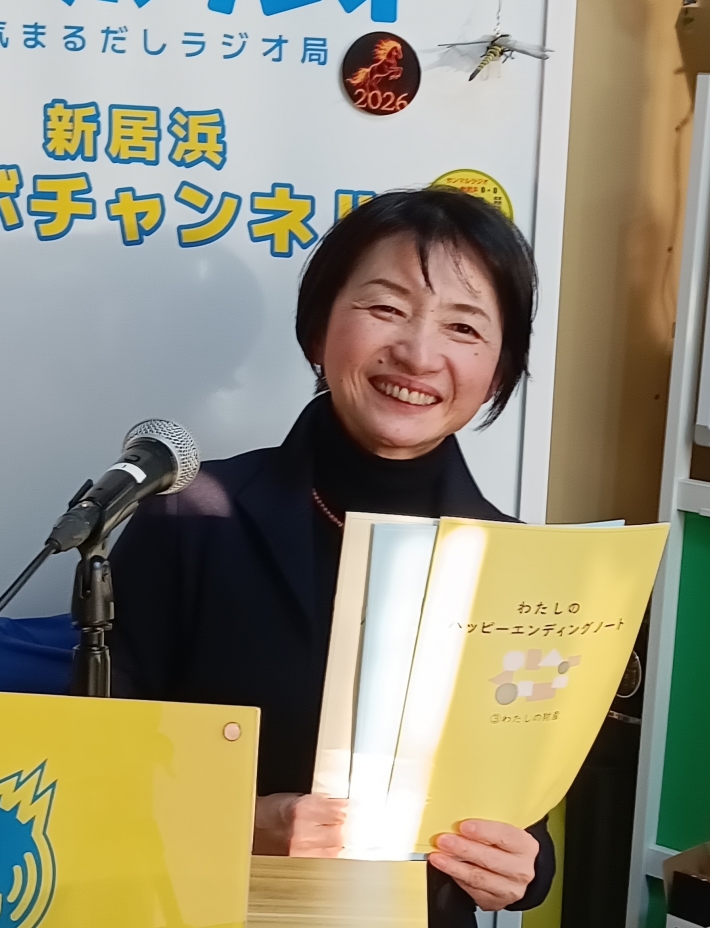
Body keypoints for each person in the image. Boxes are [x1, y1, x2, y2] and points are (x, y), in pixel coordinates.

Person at [108, 187, 555, 925]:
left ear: (499, 372)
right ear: (318, 329)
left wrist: (519, 869)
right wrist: (245, 824)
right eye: (385, 308)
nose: (418, 353)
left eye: (463, 326)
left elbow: (524, 828)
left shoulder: (519, 563)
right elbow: (97, 770)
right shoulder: (190, 514)